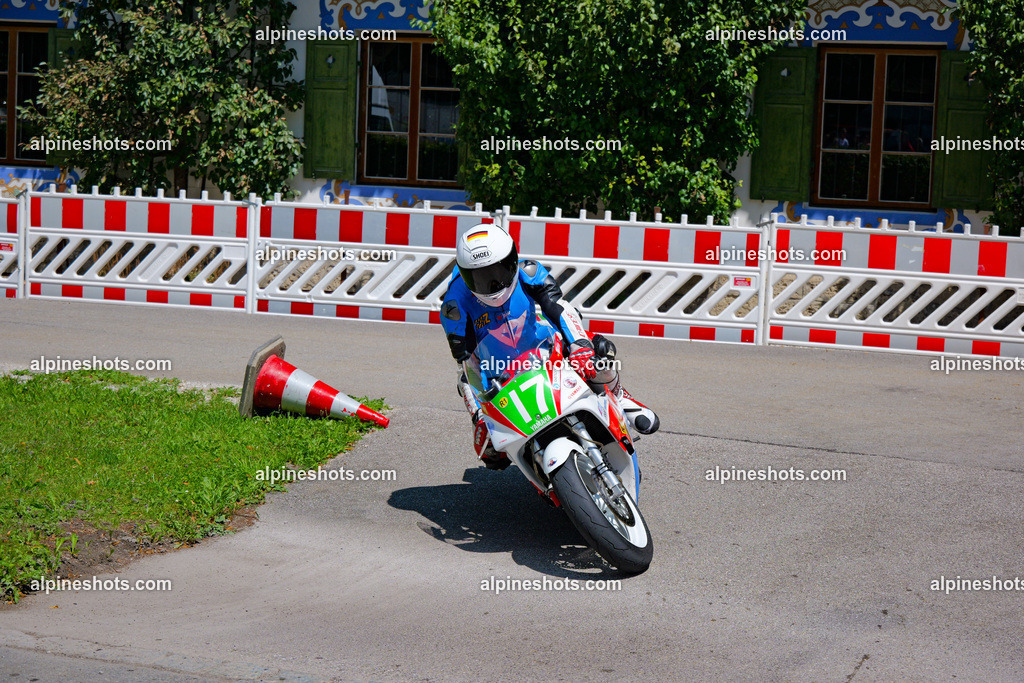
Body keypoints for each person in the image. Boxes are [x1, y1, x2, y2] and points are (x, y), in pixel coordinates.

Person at [440, 223, 659, 470]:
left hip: (543, 346)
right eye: (480, 277)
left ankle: (620, 397)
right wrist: (480, 414)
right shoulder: (453, 306)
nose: (493, 284)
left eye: (499, 271)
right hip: (500, 373)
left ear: (512, 259)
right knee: (491, 453)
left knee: (600, 348)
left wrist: (579, 346)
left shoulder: (529, 271)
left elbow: (559, 307)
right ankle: (484, 422)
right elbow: (466, 364)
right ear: (465, 273)